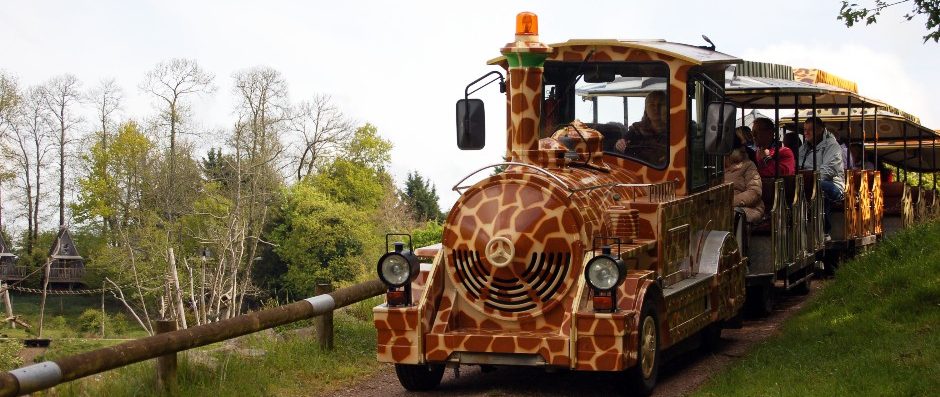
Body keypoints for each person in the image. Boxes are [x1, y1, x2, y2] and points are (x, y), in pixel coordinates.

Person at [798, 117, 845, 239]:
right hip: (808, 182)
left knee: (819, 187)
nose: (806, 133)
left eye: (810, 130)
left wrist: (810, 181)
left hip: (833, 185)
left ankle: (824, 231)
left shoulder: (832, 146)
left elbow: (828, 170)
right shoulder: (804, 148)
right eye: (805, 130)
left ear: (821, 130)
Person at [615, 91, 668, 165]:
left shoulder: (676, 130)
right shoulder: (636, 129)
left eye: (660, 105)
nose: (656, 108)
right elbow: (621, 147)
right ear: (646, 109)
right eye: (652, 105)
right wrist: (619, 144)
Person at [725, 134, 764, 223]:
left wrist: (730, 202)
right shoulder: (714, 168)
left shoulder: (748, 165)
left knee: (732, 216)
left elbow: (755, 192)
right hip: (720, 207)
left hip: (748, 208)